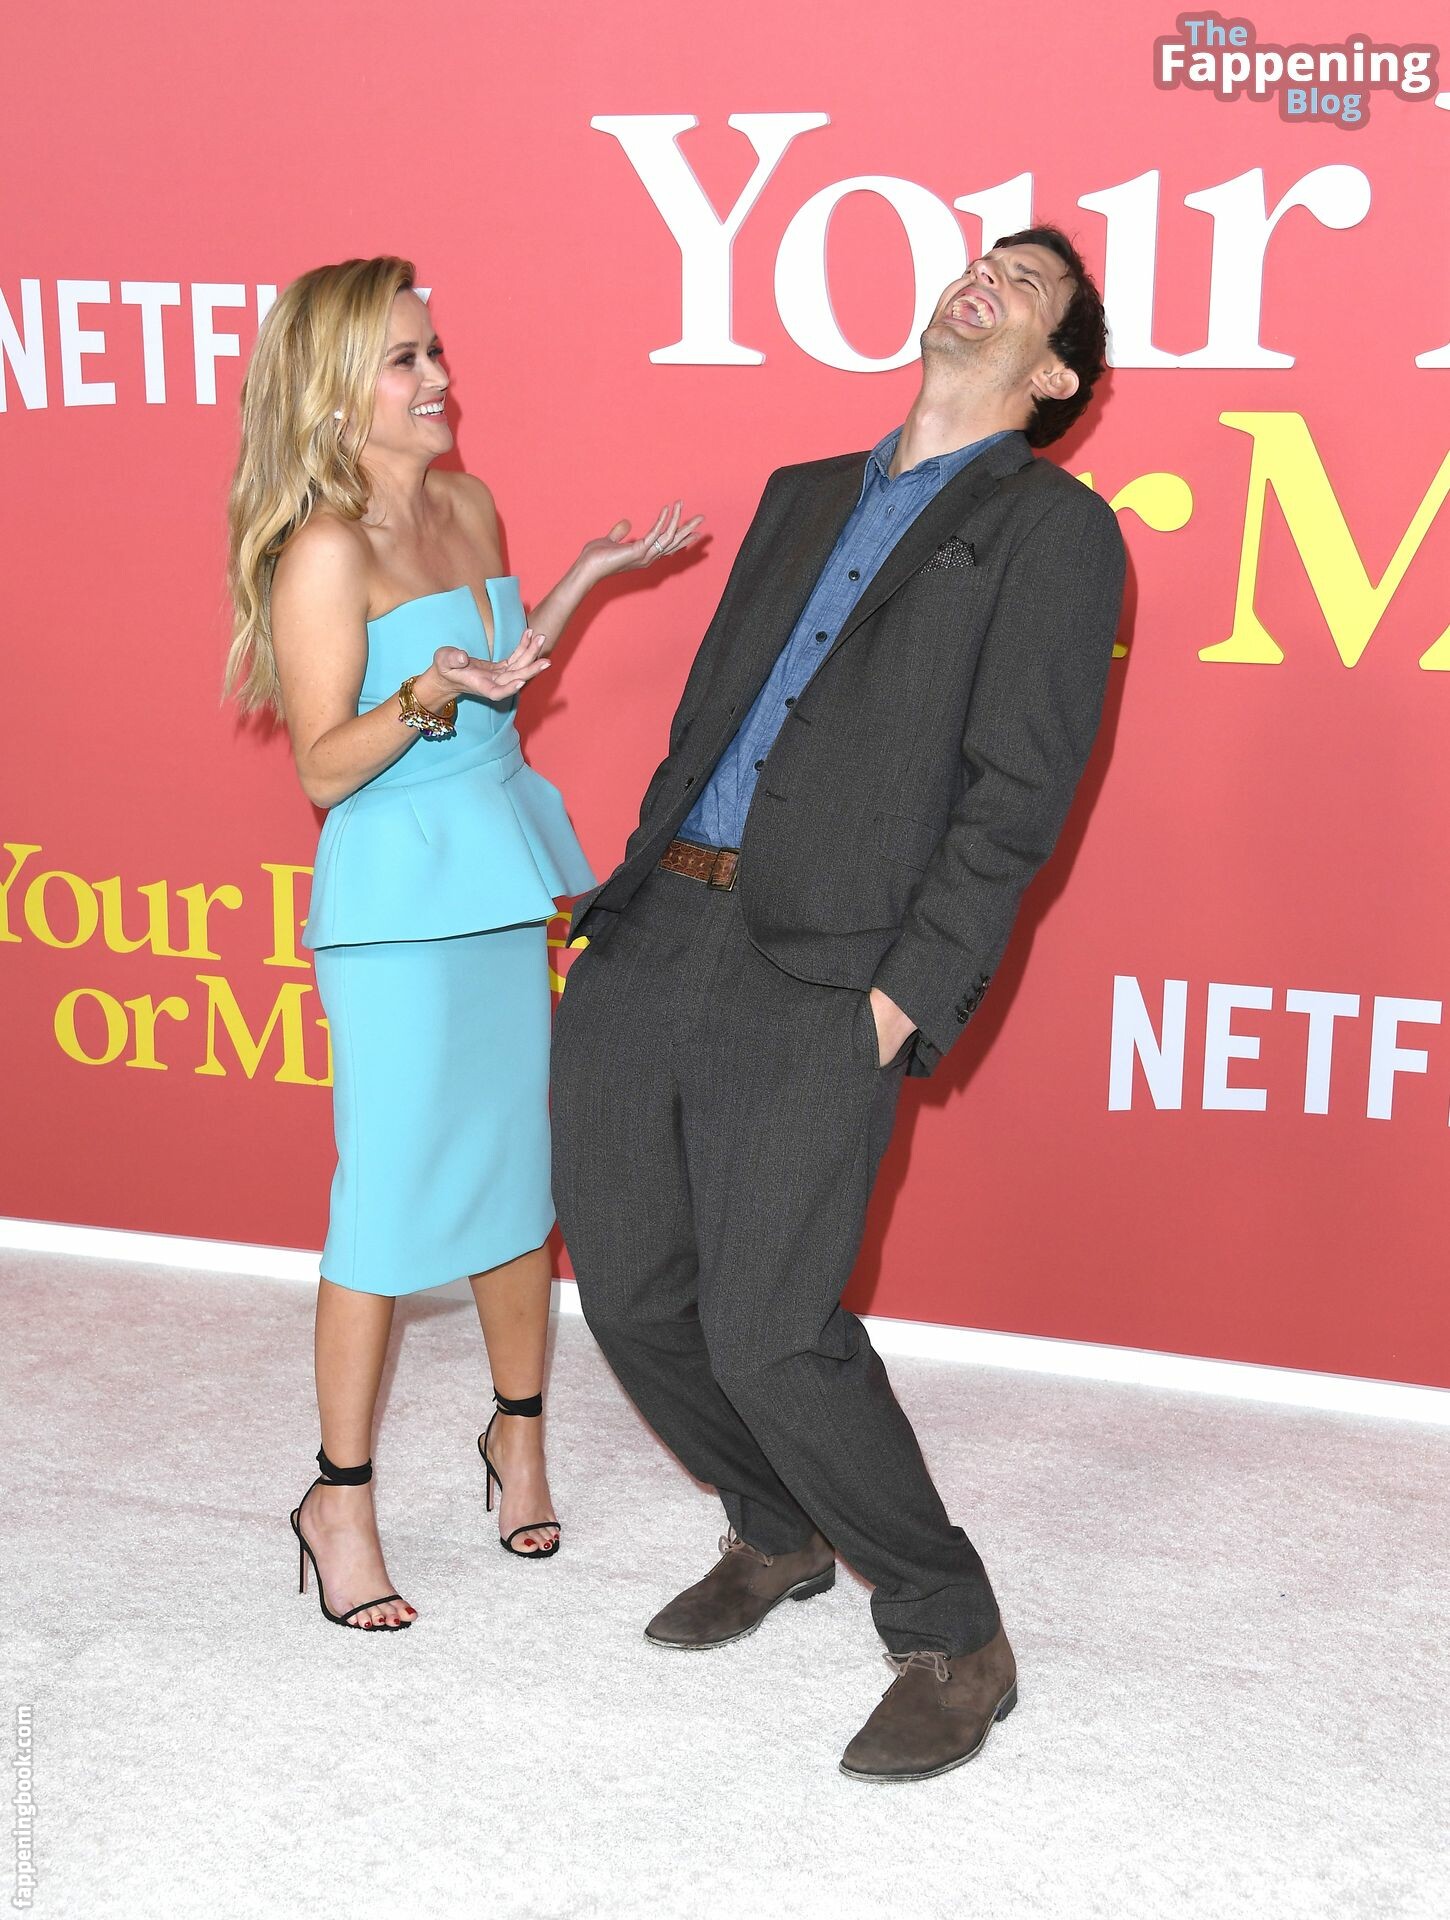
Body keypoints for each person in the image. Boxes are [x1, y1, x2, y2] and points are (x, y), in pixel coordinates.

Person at [550, 226, 1125, 1776]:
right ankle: (776, 1528)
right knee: (630, 1296)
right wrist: (626, 896)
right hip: (658, 927)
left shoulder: (1053, 531)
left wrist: (904, 995)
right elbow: (710, 716)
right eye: (983, 258)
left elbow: (1016, 797)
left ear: (1054, 377)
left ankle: (950, 1629)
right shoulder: (803, 492)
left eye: (1031, 284)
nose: (988, 276)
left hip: (826, 973)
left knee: (770, 1331)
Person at [224, 255, 700, 1629]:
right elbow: (326, 767)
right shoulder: (323, 549)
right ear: (334, 391)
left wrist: (582, 582)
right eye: (406, 360)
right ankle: (338, 1497)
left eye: (435, 350)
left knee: (513, 1177)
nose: (440, 378)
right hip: (395, 900)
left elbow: (496, 679)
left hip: (491, 871)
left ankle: (518, 1439)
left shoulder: (469, 503)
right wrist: (429, 693)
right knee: (383, 1205)